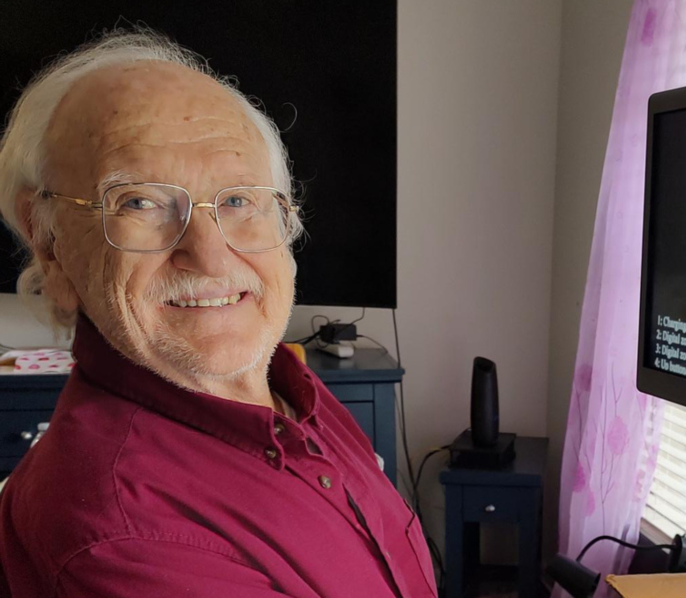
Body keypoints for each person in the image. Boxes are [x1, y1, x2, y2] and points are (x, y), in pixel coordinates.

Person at [0, 30, 436, 598]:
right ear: (49, 245)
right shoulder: (123, 535)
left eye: (237, 200)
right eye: (141, 202)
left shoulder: (283, 383)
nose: (208, 255)